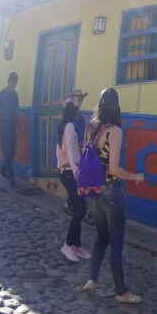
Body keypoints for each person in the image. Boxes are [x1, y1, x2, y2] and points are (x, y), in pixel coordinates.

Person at [81, 88, 145, 304]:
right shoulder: (114, 131)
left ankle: (91, 280)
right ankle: (121, 292)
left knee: (101, 238)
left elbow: (87, 158)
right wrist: (135, 175)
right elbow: (115, 169)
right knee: (116, 243)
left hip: (94, 192)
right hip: (111, 193)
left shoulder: (90, 127)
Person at [57, 101, 92, 262]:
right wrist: (76, 171)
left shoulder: (63, 125)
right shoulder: (70, 126)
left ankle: (75, 245)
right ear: (74, 113)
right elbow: (70, 151)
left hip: (67, 171)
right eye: (77, 111)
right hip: (70, 173)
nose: (79, 114)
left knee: (80, 207)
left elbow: (60, 149)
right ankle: (68, 245)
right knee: (79, 208)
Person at [0, 72, 19, 185]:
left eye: (16, 82)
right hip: (4, 125)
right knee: (6, 151)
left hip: (12, 126)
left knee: (12, 151)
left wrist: (16, 125)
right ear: (8, 81)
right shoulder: (1, 94)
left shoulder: (15, 95)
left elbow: (16, 111)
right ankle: (12, 176)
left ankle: (2, 171)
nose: (14, 84)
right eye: (13, 81)